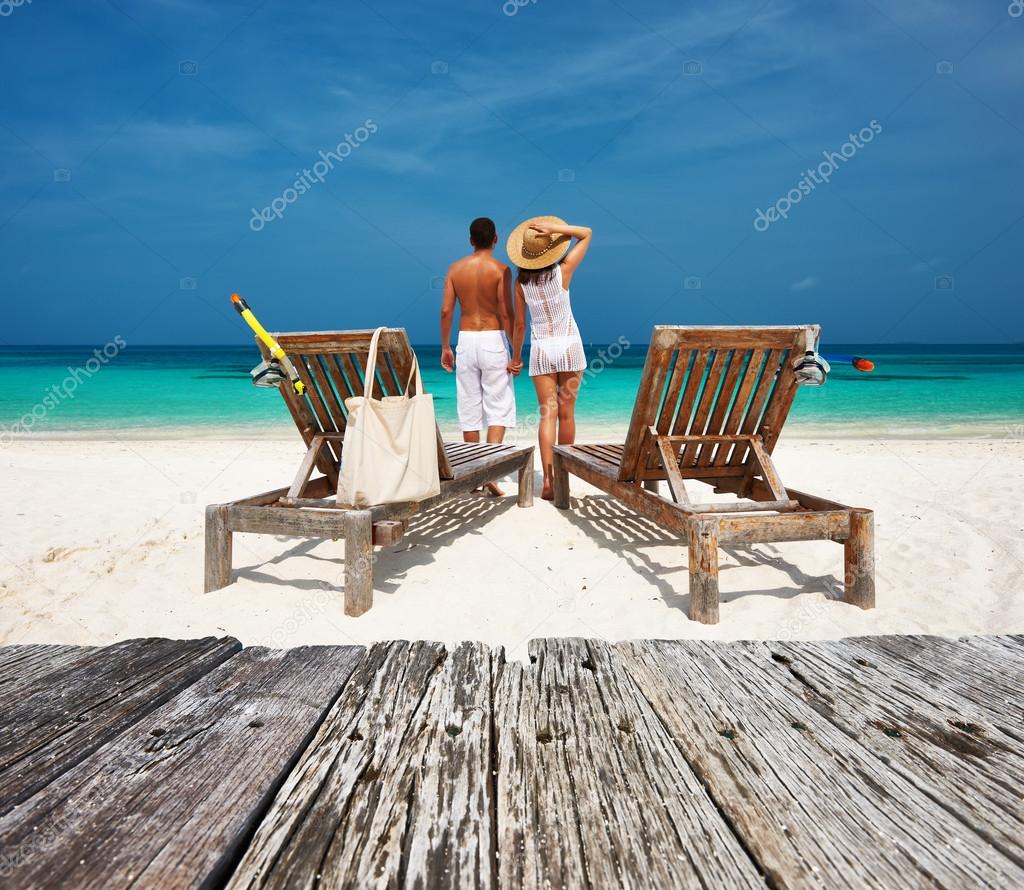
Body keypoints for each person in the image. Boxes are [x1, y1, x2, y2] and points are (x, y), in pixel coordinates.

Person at [506, 216, 592, 500]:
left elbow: (519, 324)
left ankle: (548, 482)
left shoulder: (520, 284)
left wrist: (516, 357)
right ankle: (564, 476)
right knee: (567, 414)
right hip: (569, 345)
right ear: (550, 249)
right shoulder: (563, 270)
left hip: (542, 349)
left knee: (548, 414)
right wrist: (556, 230)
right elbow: (586, 233)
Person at [440, 216, 518, 496]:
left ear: (471, 240)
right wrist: (514, 351)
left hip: (466, 340)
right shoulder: (501, 269)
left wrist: (446, 346)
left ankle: (474, 472)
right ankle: (490, 471)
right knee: (498, 404)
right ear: (495, 239)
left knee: (469, 405)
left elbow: (447, 311)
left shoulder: (454, 269)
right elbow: (506, 312)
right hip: (493, 338)